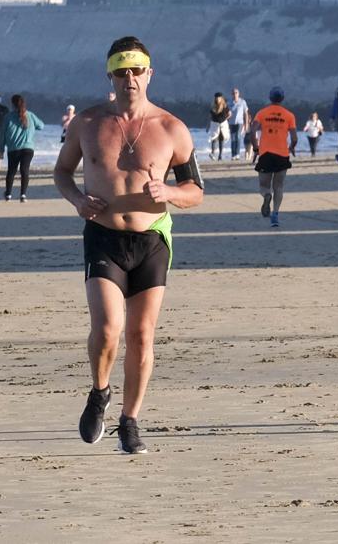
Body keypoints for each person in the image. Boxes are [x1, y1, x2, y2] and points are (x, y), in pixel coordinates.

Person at [53, 36, 204, 455]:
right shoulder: (87, 123)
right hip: (103, 235)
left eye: (137, 71)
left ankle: (130, 420)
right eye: (122, 71)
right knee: (106, 330)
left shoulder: (171, 129)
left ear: (149, 74)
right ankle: (99, 392)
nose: (130, 79)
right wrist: (78, 200)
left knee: (141, 335)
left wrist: (170, 194)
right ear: (110, 75)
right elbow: (62, 172)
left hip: (152, 240)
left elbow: (195, 191)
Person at [251, 87, 297, 229]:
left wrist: (255, 147)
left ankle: (266, 196)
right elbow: (294, 137)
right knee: (279, 186)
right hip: (282, 155)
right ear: (282, 99)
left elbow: (252, 131)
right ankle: (275, 214)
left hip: (265, 154)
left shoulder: (262, 113)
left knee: (264, 186)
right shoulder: (289, 115)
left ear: (270, 98)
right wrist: (291, 148)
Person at [1, 94, 45, 202]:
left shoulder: (8, 117)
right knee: (24, 170)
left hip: (13, 148)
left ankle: (8, 194)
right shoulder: (30, 115)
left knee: (11, 170)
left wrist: (1, 149)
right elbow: (41, 126)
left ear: (12, 104)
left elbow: (2, 134)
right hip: (28, 148)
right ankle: (23, 195)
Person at [228, 88, 249, 160]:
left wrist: (246, 124)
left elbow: (246, 113)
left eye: (236, 93)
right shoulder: (229, 102)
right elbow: (226, 113)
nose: (235, 94)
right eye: (233, 93)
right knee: (233, 138)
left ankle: (237, 154)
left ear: (238, 94)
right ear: (231, 94)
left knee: (238, 137)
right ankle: (233, 154)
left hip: (240, 122)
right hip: (231, 123)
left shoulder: (242, 102)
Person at [208, 93, 230, 160]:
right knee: (213, 138)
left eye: (219, 97)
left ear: (221, 98)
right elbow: (210, 116)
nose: (217, 99)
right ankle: (213, 153)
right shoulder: (213, 106)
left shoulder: (224, 106)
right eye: (216, 98)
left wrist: (225, 120)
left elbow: (229, 114)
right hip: (215, 124)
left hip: (222, 124)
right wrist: (208, 125)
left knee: (221, 139)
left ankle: (220, 155)